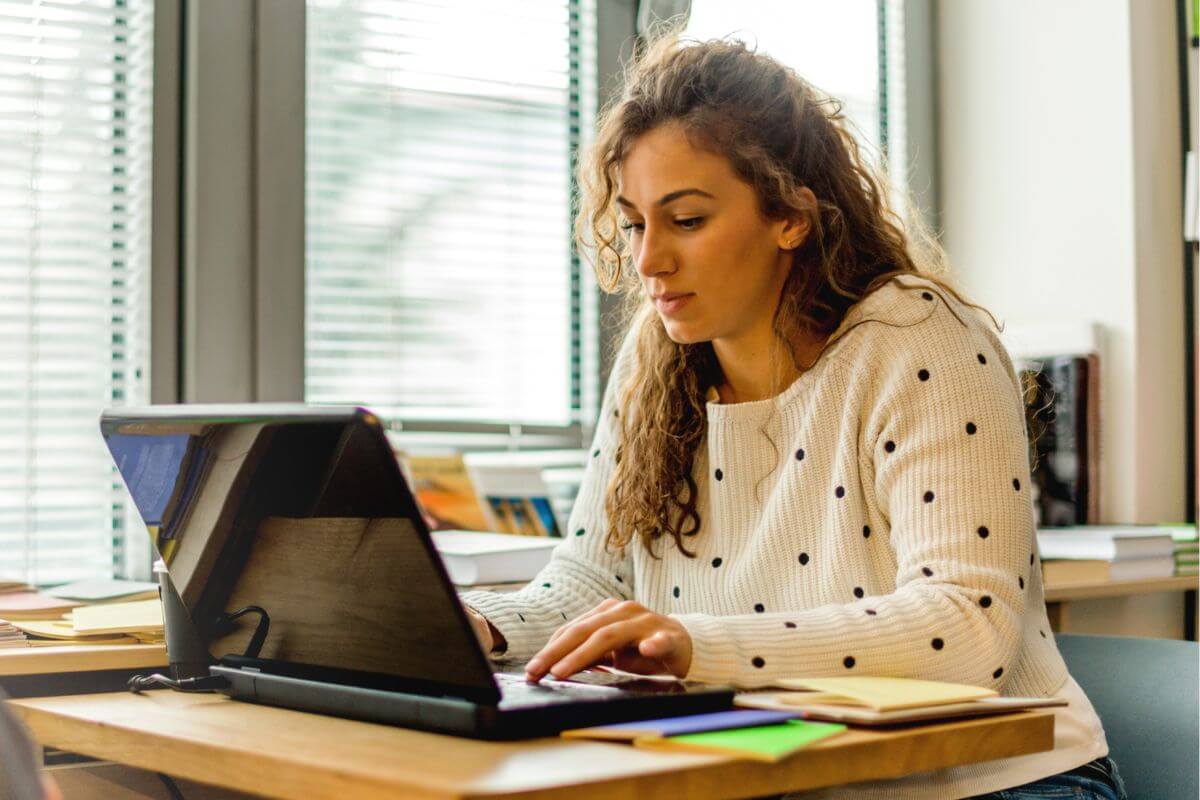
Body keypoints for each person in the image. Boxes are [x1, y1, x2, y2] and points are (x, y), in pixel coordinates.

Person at [461, 31, 1126, 800]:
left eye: (686, 220)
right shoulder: (656, 357)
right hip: (785, 778)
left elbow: (964, 629)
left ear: (791, 217)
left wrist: (689, 645)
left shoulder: (918, 339)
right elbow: (586, 586)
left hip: (992, 782)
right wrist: (470, 631)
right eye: (637, 224)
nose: (648, 263)